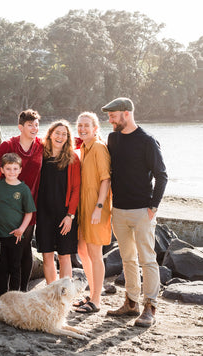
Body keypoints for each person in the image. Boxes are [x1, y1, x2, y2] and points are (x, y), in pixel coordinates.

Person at [103, 98, 167, 327]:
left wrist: (153, 207)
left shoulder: (147, 141)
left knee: (147, 259)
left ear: (126, 114)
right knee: (128, 258)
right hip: (118, 209)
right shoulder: (113, 138)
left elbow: (162, 175)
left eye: (113, 115)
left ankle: (150, 306)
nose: (109, 119)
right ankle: (131, 302)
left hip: (142, 210)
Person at [0, 109, 43, 291]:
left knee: (25, 249)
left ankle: (21, 292)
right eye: (30, 125)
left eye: (37, 125)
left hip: (30, 204)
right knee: (6, 252)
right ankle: (3, 294)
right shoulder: (8, 145)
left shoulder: (41, 145)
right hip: (7, 204)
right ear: (20, 127)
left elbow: (63, 144)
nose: (34, 128)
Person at [70, 112, 112, 314]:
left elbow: (106, 179)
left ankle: (96, 300)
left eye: (87, 125)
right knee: (82, 251)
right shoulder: (84, 148)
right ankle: (92, 292)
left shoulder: (98, 147)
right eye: (80, 126)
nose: (82, 129)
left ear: (96, 128)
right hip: (83, 208)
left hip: (97, 208)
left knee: (95, 254)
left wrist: (99, 207)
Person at [36, 121, 80, 285]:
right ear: (50, 134)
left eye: (64, 134)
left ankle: (65, 295)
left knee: (64, 256)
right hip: (43, 214)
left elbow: (76, 189)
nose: (60, 136)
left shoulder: (72, 158)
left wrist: (70, 215)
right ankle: (51, 292)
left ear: (68, 138)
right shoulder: (40, 155)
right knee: (47, 255)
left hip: (64, 214)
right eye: (57, 133)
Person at [0, 153, 35, 296]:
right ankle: (2, 297)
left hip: (16, 236)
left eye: (15, 169)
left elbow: (29, 212)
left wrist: (21, 229)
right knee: (2, 268)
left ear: (20, 170)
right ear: (1, 170)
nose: (12, 172)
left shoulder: (23, 189)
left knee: (15, 267)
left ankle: (14, 298)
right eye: (8, 169)